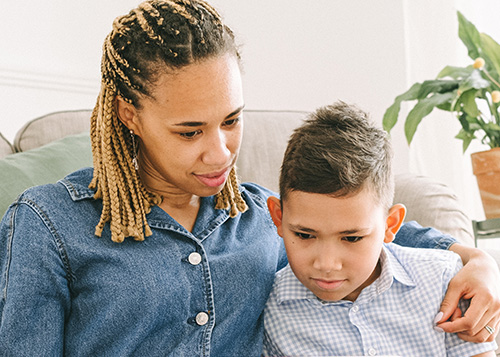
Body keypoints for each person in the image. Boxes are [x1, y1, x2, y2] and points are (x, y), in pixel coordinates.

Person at [0, 1, 498, 355]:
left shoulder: (264, 216)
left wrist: (478, 262)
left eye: (231, 121)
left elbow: (374, 229)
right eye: (190, 130)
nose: (220, 153)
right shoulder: (50, 225)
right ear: (130, 115)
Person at [264, 101, 498, 356]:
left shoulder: (444, 281)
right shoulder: (268, 311)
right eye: (305, 235)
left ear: (391, 225)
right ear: (278, 217)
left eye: (352, 238)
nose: (327, 264)